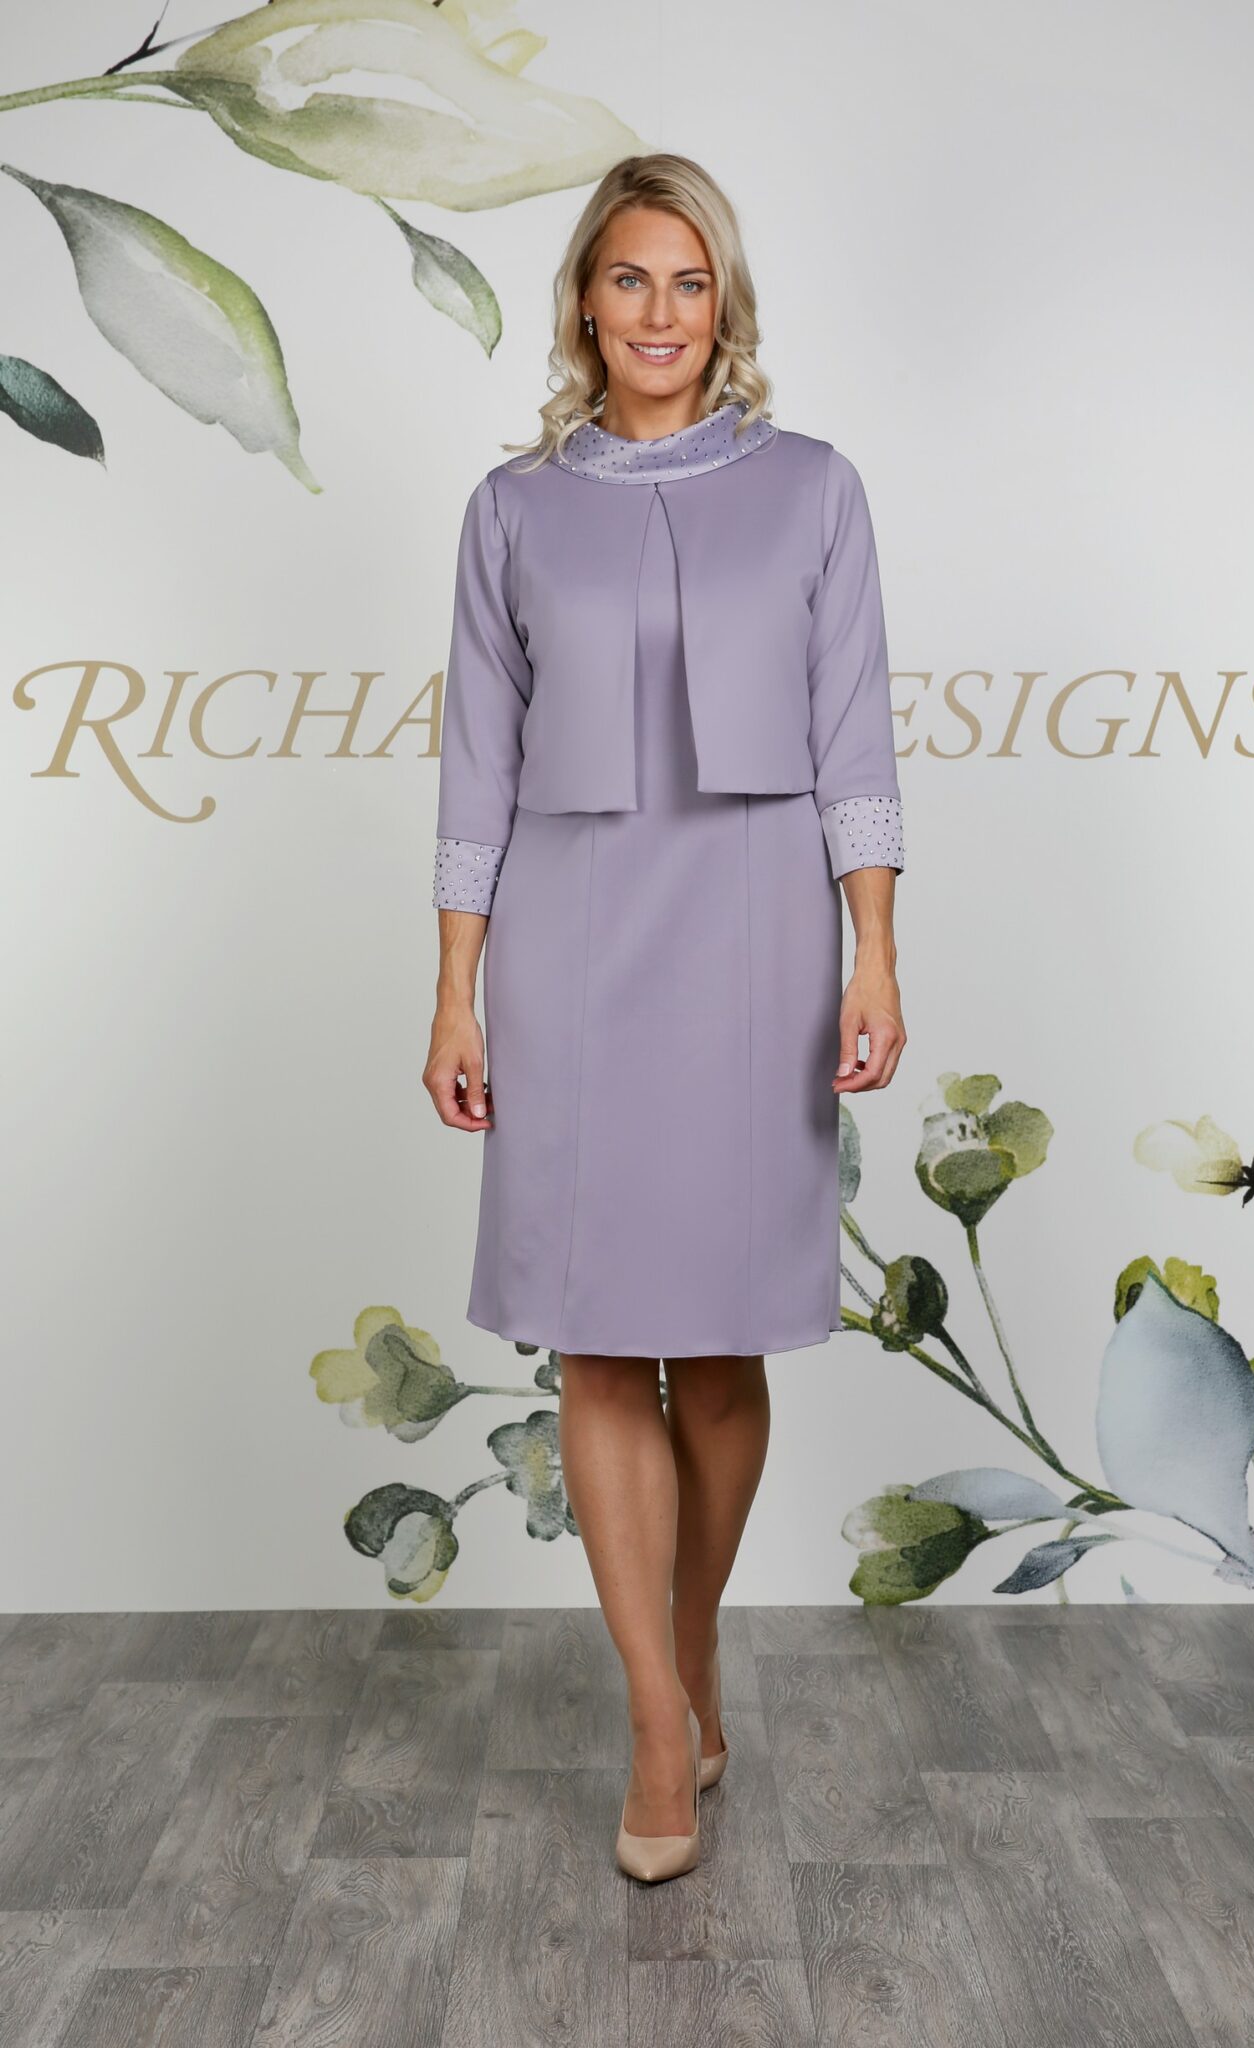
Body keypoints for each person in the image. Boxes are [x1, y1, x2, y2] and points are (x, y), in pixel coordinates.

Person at [423, 153, 906, 1883]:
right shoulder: (510, 512)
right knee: (594, 1338)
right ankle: (651, 1716)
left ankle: (691, 1640)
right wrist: (455, 989)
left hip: (756, 938)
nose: (658, 312)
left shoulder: (815, 490)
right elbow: (475, 764)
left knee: (715, 1350)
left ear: (724, 306)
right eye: (628, 278)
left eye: (688, 283)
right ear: (582, 301)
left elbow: (852, 734)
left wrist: (872, 952)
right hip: (565, 943)